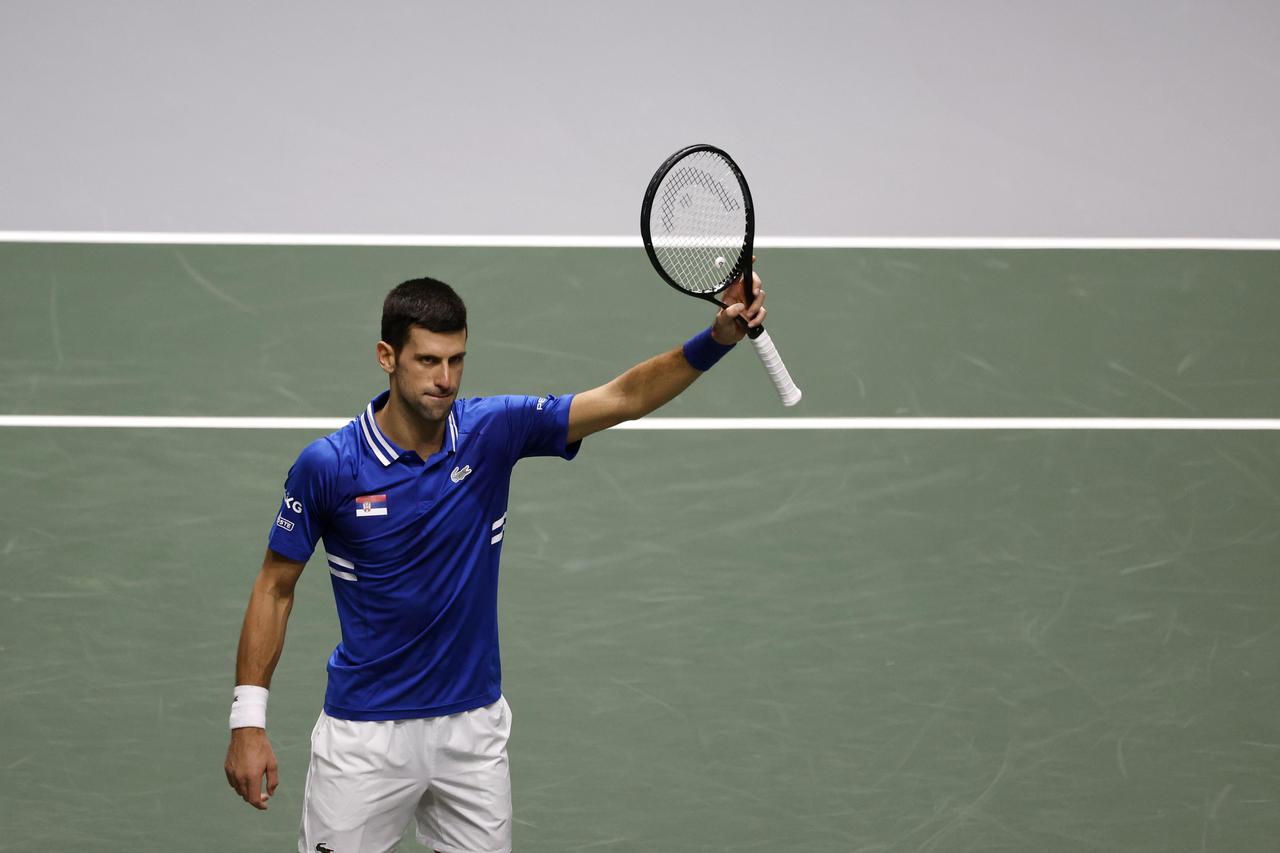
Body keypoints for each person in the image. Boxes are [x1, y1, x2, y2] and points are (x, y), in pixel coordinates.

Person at [224, 268, 766, 853]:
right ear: (387, 356)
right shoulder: (329, 465)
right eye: (428, 361)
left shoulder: (493, 431)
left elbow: (623, 398)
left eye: (456, 360)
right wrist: (246, 721)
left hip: (473, 733)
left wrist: (716, 339)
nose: (445, 378)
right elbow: (274, 587)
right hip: (365, 737)